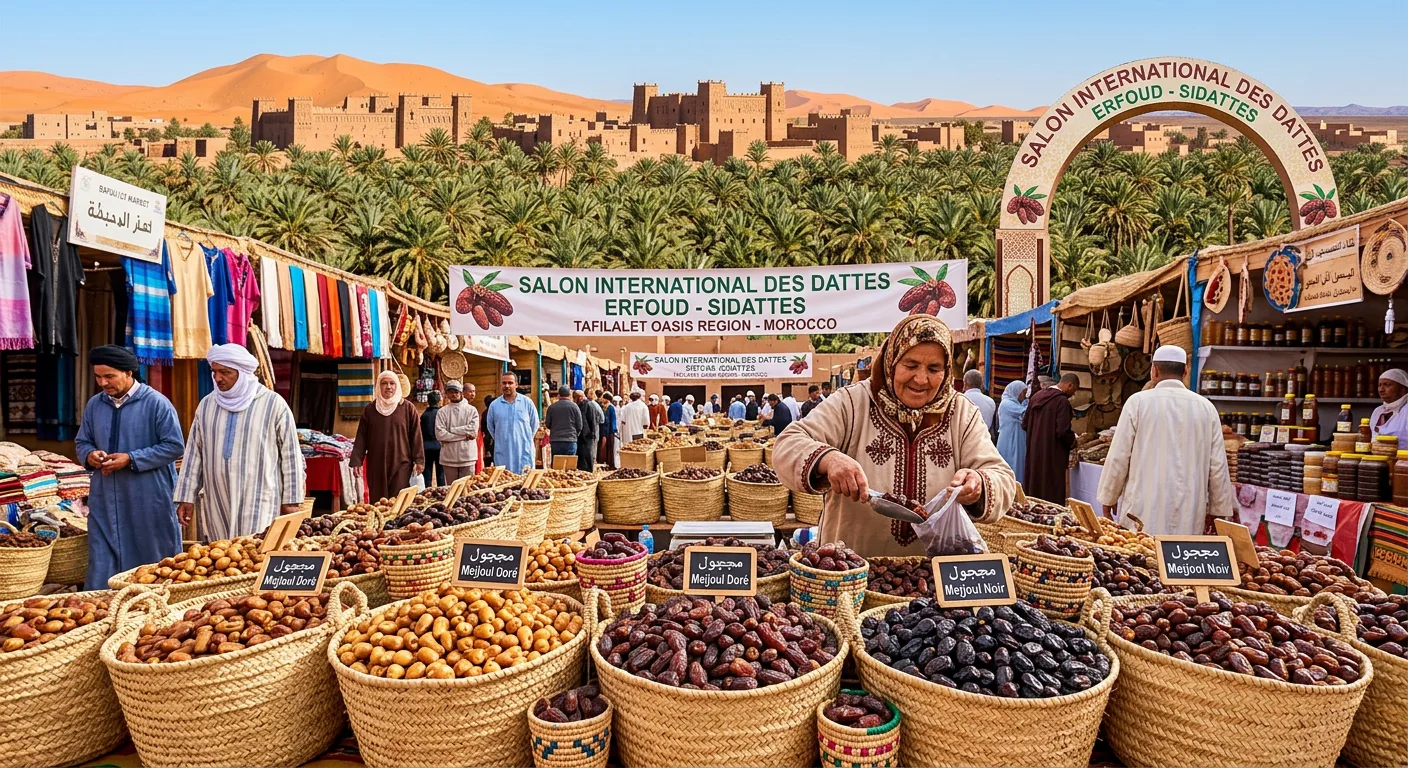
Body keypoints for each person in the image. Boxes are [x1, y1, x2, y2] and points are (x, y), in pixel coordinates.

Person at [774, 315, 1017, 557]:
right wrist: (828, 460)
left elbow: (1002, 476)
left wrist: (978, 483)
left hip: (938, 579)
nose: (921, 379)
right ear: (891, 362)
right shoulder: (853, 403)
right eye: (910, 366)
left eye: (934, 369)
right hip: (849, 573)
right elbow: (788, 443)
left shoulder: (961, 413)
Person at [75, 345, 185, 589]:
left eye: (109, 376)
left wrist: (131, 458)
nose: (103, 382)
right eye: (98, 376)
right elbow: (83, 440)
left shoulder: (157, 403)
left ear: (129, 373)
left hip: (148, 498)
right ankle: (102, 619)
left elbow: (175, 446)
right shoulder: (95, 405)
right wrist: (90, 454)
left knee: (154, 563)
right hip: (104, 499)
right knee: (102, 562)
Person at [1097, 346, 1235, 536]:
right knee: (1180, 561)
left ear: (1154, 371)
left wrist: (1108, 496)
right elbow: (1218, 465)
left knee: (1141, 558)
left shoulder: (1138, 403)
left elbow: (1119, 456)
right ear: (1185, 371)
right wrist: (1218, 510)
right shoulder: (1206, 408)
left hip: (1143, 507)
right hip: (1189, 508)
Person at [175, 343, 304, 541]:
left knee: (255, 553)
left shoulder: (272, 404)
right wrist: (186, 496)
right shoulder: (207, 405)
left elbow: (291, 456)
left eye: (225, 372)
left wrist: (292, 501)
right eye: (214, 371)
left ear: (242, 372)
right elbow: (194, 454)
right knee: (221, 556)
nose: (217, 378)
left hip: (260, 498)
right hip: (217, 500)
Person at [350, 371, 424, 502]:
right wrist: (357, 460)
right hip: (376, 463)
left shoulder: (407, 408)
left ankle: (399, 523)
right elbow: (361, 437)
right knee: (379, 500)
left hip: (402, 462)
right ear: (378, 386)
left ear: (397, 387)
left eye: (392, 383)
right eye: (384, 383)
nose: (388, 387)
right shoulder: (370, 409)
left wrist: (419, 460)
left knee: (399, 499)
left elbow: (416, 436)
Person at [1023, 373, 1078, 502]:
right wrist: (1073, 441)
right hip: (1053, 455)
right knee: (1051, 489)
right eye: (1074, 390)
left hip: (1034, 452)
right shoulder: (1062, 401)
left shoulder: (1036, 397)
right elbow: (1062, 431)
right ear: (1069, 385)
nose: (1073, 394)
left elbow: (1024, 424)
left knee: (1034, 485)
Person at [486, 372, 539, 472]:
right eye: (504, 383)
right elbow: (491, 427)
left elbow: (535, 424)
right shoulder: (494, 405)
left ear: (516, 384)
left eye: (510, 383)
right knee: (505, 482)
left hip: (524, 451)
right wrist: (503, 439)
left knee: (526, 483)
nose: (507, 386)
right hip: (503, 451)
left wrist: (524, 439)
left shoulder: (527, 403)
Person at [435, 380, 480, 484]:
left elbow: (473, 430)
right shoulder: (442, 412)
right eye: (450, 392)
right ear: (446, 394)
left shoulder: (472, 410)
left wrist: (452, 430)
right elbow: (440, 434)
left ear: (461, 393)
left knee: (467, 489)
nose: (453, 394)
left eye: (456, 391)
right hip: (449, 457)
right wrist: (464, 436)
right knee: (452, 489)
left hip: (468, 456)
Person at [996, 381, 1029, 485]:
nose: (1024, 396)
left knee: (1018, 463)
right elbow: (1025, 412)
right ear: (1016, 392)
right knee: (1011, 463)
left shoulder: (1015, 403)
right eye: (1023, 393)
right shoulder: (1006, 403)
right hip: (1010, 440)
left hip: (1017, 440)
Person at [545, 386, 583, 466]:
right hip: (570, 440)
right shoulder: (575, 407)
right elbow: (579, 425)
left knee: (557, 465)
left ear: (559, 395)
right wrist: (575, 435)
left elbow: (548, 424)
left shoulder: (552, 407)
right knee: (570, 466)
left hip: (556, 441)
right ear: (570, 395)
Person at [1371, 369, 1408, 442]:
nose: (1381, 390)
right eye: (1379, 385)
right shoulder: (1377, 411)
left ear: (1403, 389)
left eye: (1387, 385)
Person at [574, 389, 603, 471]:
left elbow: (592, 420)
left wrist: (592, 433)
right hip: (582, 436)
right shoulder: (579, 405)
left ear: (579, 398)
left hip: (587, 436)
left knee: (587, 456)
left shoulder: (589, 405)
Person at [962, 370, 996, 437]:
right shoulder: (991, 402)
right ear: (981, 384)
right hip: (984, 441)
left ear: (965, 383)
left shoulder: (958, 400)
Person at [420, 390, 443, 487]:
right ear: (439, 401)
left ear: (428, 402)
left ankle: (428, 492)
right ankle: (442, 492)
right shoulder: (441, 413)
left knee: (427, 472)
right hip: (440, 446)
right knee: (440, 472)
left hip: (426, 447)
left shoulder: (424, 415)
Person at [598, 391, 618, 469]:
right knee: (602, 447)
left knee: (610, 448)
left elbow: (613, 419)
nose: (602, 399)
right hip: (602, 430)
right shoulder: (602, 407)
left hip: (609, 431)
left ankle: (610, 464)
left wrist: (613, 430)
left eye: (603, 398)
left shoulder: (611, 407)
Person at [481, 393, 496, 467]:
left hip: (487, 439)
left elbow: (482, 427)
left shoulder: (484, 413)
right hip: (492, 439)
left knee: (488, 459)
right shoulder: (492, 412)